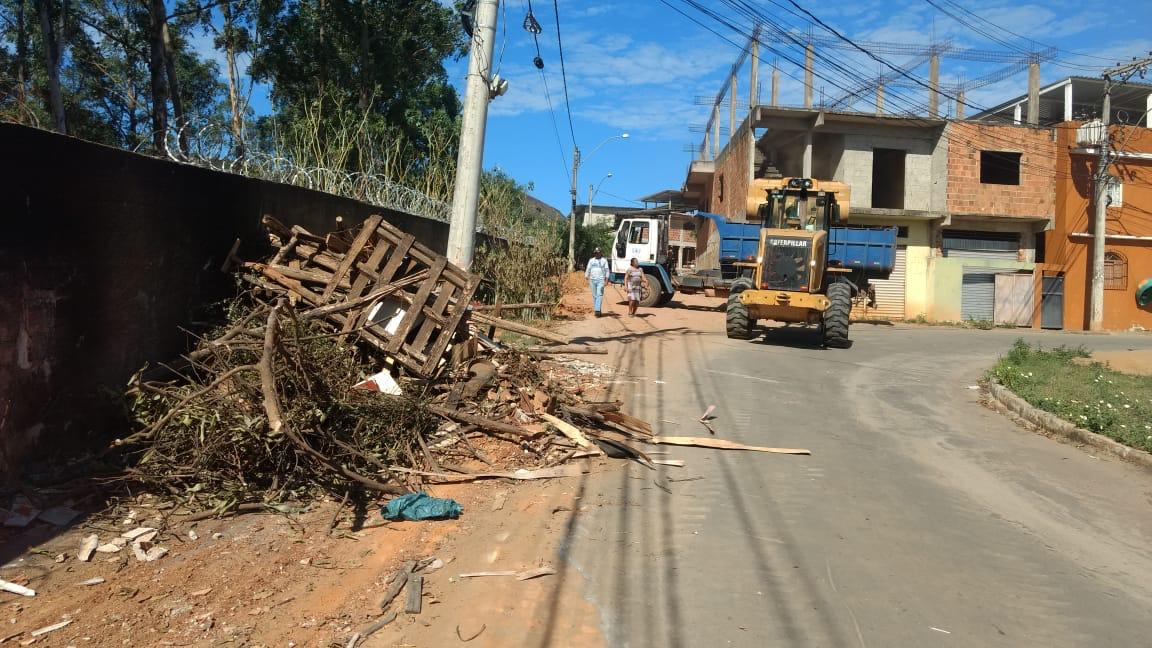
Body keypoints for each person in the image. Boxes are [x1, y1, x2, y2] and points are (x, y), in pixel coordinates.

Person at [585, 247, 610, 317]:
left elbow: (607, 271)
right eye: (595, 253)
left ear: (601, 253)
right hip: (592, 280)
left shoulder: (604, 260)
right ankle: (597, 309)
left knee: (600, 294)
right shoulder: (591, 260)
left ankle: (597, 310)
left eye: (598, 253)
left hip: (601, 280)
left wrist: (606, 280)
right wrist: (586, 275)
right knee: (594, 296)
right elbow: (588, 268)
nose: (596, 254)